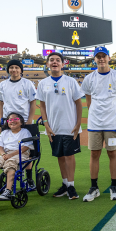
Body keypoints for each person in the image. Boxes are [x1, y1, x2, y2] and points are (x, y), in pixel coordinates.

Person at [81, 47, 116, 202]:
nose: (101, 59)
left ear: (109, 58)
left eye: (104, 56)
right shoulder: (89, 78)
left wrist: (110, 111)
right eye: (98, 56)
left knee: (112, 153)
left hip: (112, 123)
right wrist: (97, 113)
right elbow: (88, 101)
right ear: (95, 59)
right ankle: (94, 187)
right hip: (95, 123)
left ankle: (114, 186)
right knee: (94, 153)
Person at [37, 52, 84, 200]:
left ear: (63, 64)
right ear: (47, 64)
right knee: (60, 156)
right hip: (53, 128)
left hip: (70, 126)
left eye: (58, 60)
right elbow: (42, 106)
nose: (55, 62)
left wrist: (78, 124)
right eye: (51, 60)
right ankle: (64, 184)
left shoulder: (70, 81)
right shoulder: (43, 84)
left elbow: (78, 103)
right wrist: (46, 125)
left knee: (69, 156)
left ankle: (71, 185)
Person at [0, 59, 37, 187]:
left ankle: (29, 179)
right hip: (8, 121)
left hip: (24, 120)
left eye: (16, 67)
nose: (14, 70)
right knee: (9, 145)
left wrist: (30, 119)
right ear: (8, 70)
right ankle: (9, 170)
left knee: (28, 151)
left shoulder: (27, 83)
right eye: (11, 67)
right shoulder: (3, 84)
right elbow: (1, 103)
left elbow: (33, 102)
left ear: (21, 70)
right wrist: (1, 119)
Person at [0, 113, 34, 200]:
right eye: (10, 120)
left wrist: (11, 155)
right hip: (6, 153)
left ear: (21, 122)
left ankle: (8, 190)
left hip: (21, 154)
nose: (12, 121)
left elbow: (26, 146)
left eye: (15, 119)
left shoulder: (25, 132)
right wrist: (3, 154)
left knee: (10, 163)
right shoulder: (4, 133)